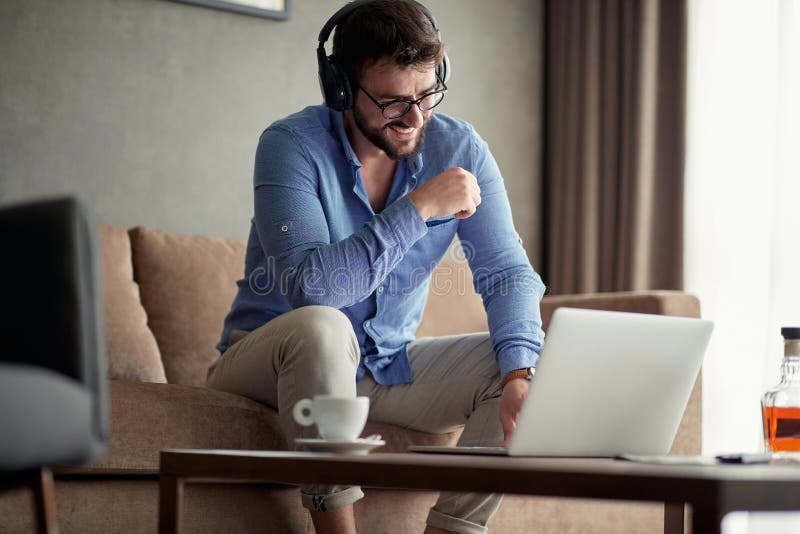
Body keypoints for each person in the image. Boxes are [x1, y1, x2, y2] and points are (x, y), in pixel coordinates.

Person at [207, 1, 546, 533]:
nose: (414, 118)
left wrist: (520, 372)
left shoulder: (459, 147)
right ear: (341, 88)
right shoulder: (289, 146)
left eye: (427, 94)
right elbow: (314, 289)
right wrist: (419, 208)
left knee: (524, 362)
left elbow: (507, 272)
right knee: (323, 326)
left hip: (382, 366)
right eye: (392, 102)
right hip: (271, 363)